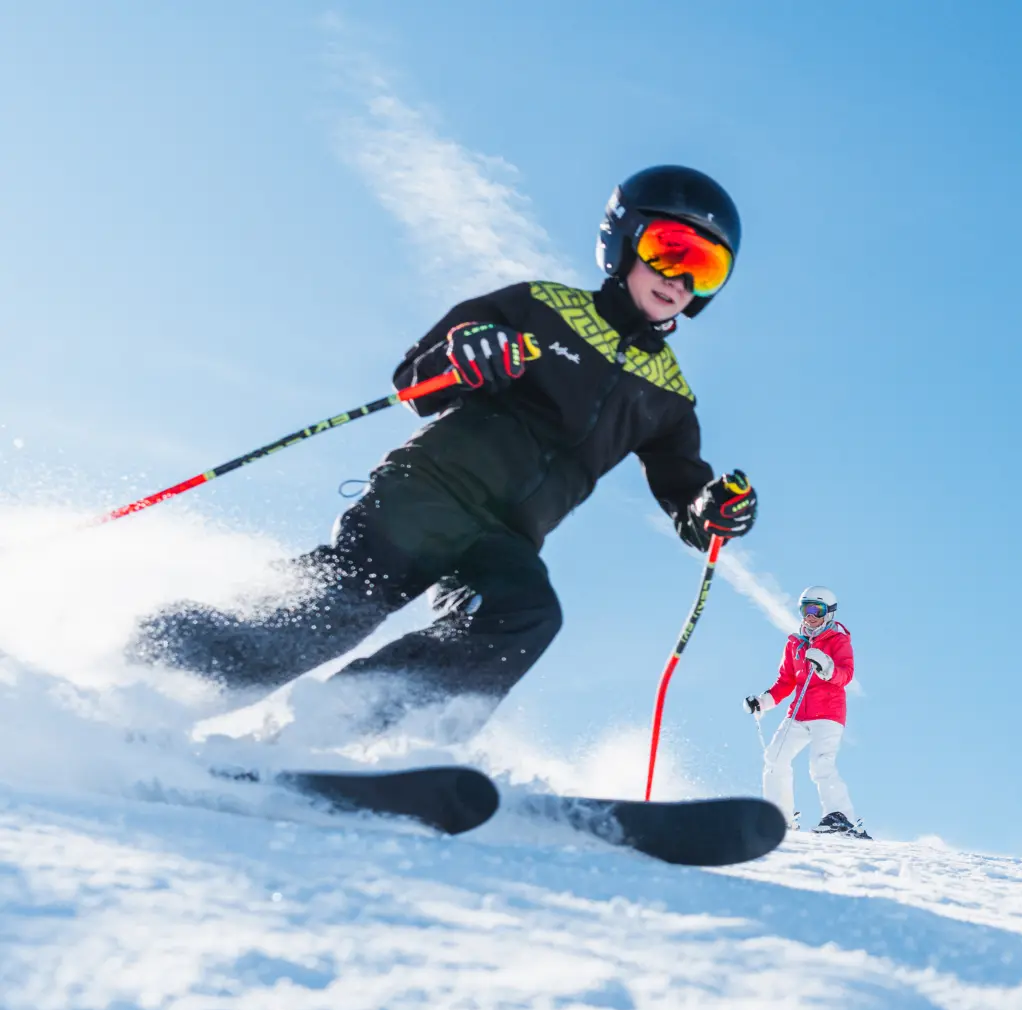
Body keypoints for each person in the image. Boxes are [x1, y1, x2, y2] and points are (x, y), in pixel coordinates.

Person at [129, 165, 758, 740]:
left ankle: (335, 730)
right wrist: (470, 353)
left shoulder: (669, 395)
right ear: (622, 242)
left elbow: (685, 496)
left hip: (505, 538)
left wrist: (712, 511)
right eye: (667, 250)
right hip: (426, 492)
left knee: (523, 616)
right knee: (343, 607)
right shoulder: (541, 306)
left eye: (703, 268)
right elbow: (416, 379)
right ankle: (162, 671)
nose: (678, 278)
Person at [746, 586, 867, 837]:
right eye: (805, 609)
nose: (810, 615)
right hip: (798, 713)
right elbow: (785, 682)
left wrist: (826, 666)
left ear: (829, 613)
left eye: (816, 609)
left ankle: (840, 816)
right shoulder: (795, 644)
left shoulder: (838, 640)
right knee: (774, 758)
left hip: (828, 712)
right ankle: (779, 815)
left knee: (821, 764)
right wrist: (762, 701)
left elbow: (845, 675)